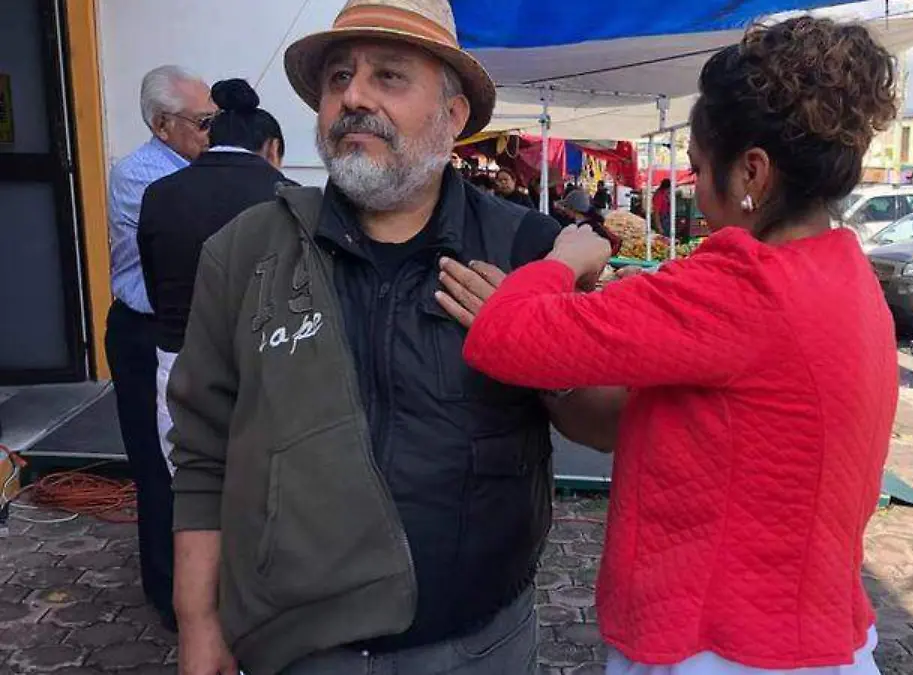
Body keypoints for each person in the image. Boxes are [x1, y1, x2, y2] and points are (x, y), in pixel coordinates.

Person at [445, 16, 899, 675]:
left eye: (699, 169)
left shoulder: (744, 284)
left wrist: (562, 261)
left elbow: (505, 338)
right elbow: (639, 414)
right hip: (811, 635)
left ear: (752, 173)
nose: (696, 189)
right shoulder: (845, 273)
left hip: (722, 646)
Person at [168, 1, 605, 674]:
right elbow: (203, 451)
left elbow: (604, 426)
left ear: (452, 114)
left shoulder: (526, 248)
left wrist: (538, 343)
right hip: (300, 651)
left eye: (389, 77)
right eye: (339, 77)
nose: (354, 97)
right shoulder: (246, 252)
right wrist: (198, 621)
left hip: (477, 645)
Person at [105, 64, 213, 632]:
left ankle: (204, 582)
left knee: (201, 462)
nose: (212, 132)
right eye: (202, 122)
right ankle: (168, 592)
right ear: (162, 124)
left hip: (194, 332)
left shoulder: (202, 171)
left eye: (215, 119)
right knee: (156, 461)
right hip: (146, 333)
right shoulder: (139, 176)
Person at [138, 78, 291, 478]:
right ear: (272, 148)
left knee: (193, 487)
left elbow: (154, 288)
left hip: (181, 363)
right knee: (264, 492)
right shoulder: (290, 197)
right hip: (265, 366)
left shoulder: (159, 195)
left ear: (210, 139)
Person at [557, 188, 621, 255]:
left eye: (566, 207)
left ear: (573, 208)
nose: (565, 210)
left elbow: (614, 242)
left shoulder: (591, 227)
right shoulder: (589, 223)